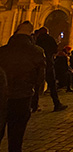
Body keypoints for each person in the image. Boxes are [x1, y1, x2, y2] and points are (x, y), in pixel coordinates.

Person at [0, 21, 45, 152]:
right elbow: (40, 80)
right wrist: (35, 100)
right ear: (31, 34)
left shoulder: (2, 51)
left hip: (1, 96)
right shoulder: (36, 52)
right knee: (16, 137)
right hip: (22, 97)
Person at [33, 27, 67, 112]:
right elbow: (55, 49)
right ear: (47, 32)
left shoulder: (35, 39)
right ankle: (56, 103)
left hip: (37, 64)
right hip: (48, 63)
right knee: (52, 85)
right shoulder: (50, 39)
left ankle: (34, 105)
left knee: (36, 86)